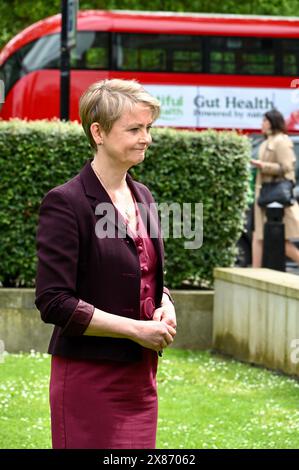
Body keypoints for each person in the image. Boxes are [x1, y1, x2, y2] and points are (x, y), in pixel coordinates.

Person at [35, 79, 177, 449]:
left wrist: (165, 303)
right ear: (97, 132)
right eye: (134, 128)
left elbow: (145, 270)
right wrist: (135, 329)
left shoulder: (142, 194)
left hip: (141, 377)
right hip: (89, 379)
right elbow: (54, 302)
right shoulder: (66, 202)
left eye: (148, 128)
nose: (146, 137)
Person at [251, 108, 299, 267]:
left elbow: (287, 168)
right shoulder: (266, 142)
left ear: (273, 122)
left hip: (276, 198)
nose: (262, 124)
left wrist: (263, 166)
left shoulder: (282, 141)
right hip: (265, 196)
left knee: (279, 239)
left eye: (265, 120)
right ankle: (255, 274)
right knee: (259, 236)